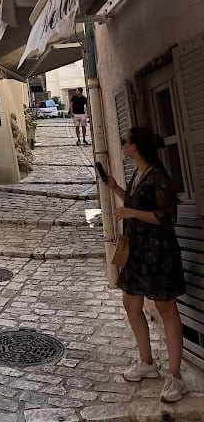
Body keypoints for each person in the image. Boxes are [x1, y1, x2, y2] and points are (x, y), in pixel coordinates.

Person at [107, 127, 187, 403]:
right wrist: (115, 188)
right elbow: (134, 204)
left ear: (136, 146)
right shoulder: (138, 174)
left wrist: (131, 212)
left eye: (125, 142)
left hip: (158, 252)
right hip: (136, 252)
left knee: (166, 309)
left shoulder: (159, 177)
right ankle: (147, 362)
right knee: (131, 304)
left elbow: (167, 217)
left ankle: (175, 377)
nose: (123, 145)